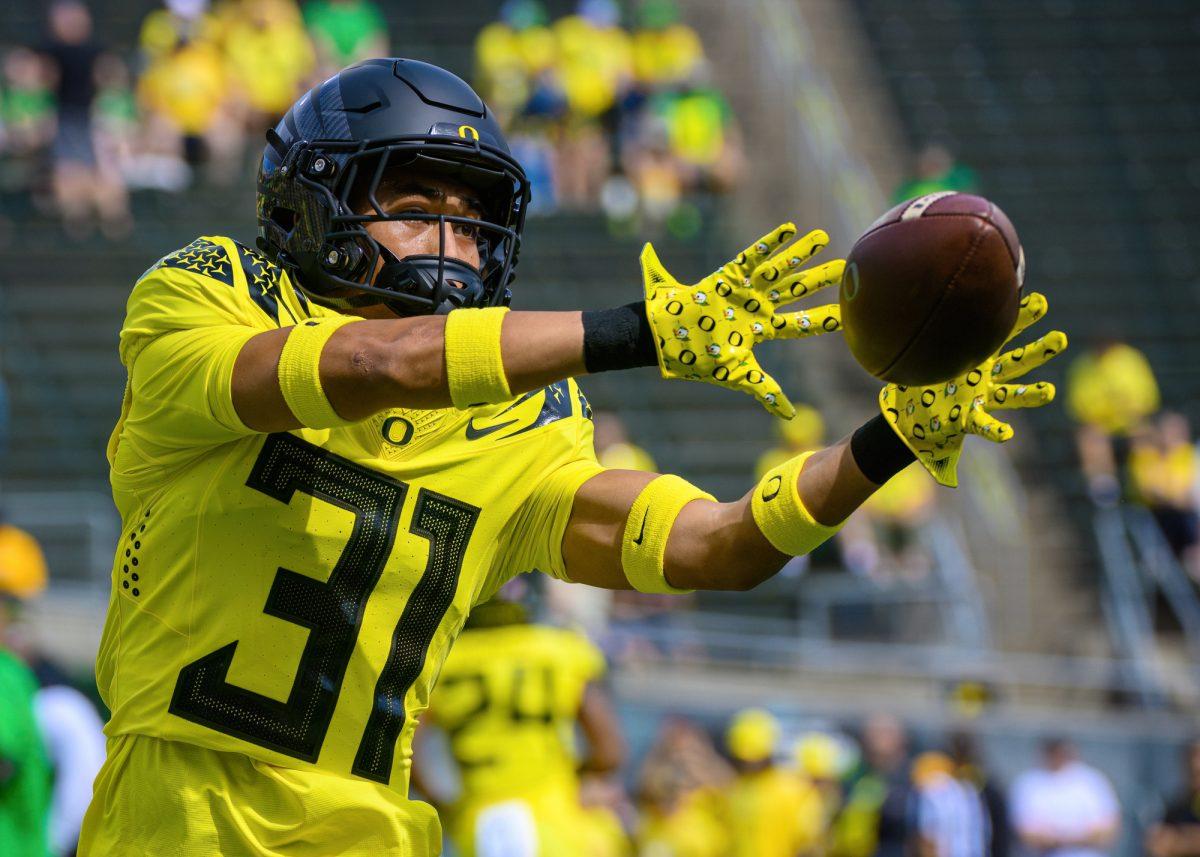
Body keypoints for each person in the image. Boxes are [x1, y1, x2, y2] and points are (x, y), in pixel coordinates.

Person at [76, 58, 1064, 855]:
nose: (451, 243)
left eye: (472, 219)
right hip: (173, 821)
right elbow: (364, 361)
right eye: (415, 203)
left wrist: (883, 442)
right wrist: (628, 330)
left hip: (372, 831)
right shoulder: (210, 292)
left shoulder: (522, 419)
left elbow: (716, 545)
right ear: (312, 202)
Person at [416, 597, 625, 856]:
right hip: (554, 818)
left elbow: (406, 748)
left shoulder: (442, 662)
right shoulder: (559, 650)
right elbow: (608, 751)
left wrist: (440, 804)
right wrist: (575, 777)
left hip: (478, 822)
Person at [723, 708, 824, 857]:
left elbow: (809, 842)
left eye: (754, 758)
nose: (748, 763)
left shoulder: (793, 788)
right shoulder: (735, 788)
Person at [1009, 738, 1120, 857]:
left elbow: (1108, 832)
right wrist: (1078, 837)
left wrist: (1062, 838)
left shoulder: (1091, 780)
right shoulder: (1028, 783)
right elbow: (1027, 836)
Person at [1146, 739, 1200, 857]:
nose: (1196, 764)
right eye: (1192, 757)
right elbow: (1158, 844)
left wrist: (1182, 843)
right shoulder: (1178, 807)